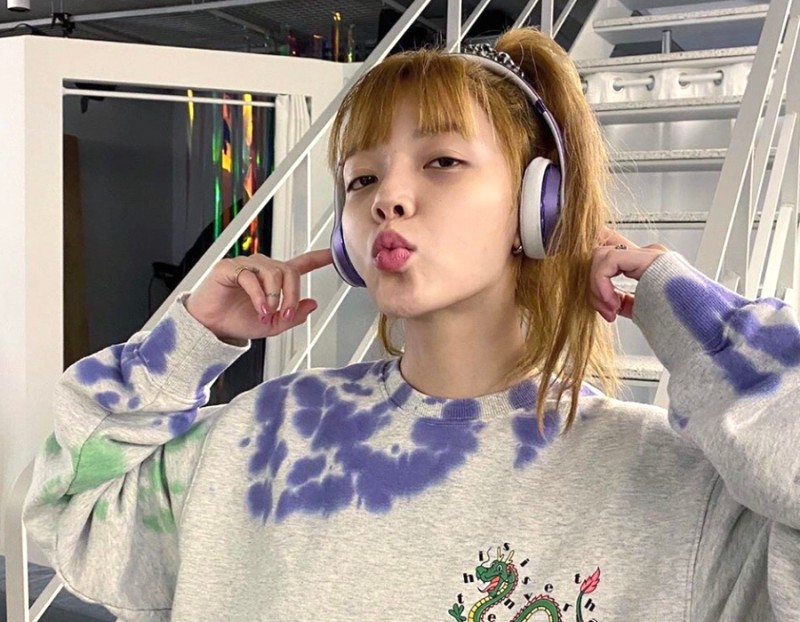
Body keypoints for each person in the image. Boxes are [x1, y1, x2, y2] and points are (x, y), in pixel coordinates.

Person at [22, 27, 799, 621]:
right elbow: (67, 516)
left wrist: (701, 322)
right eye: (362, 177)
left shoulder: (672, 488)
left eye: (441, 162)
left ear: (539, 205)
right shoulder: (260, 437)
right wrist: (190, 340)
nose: (387, 198)